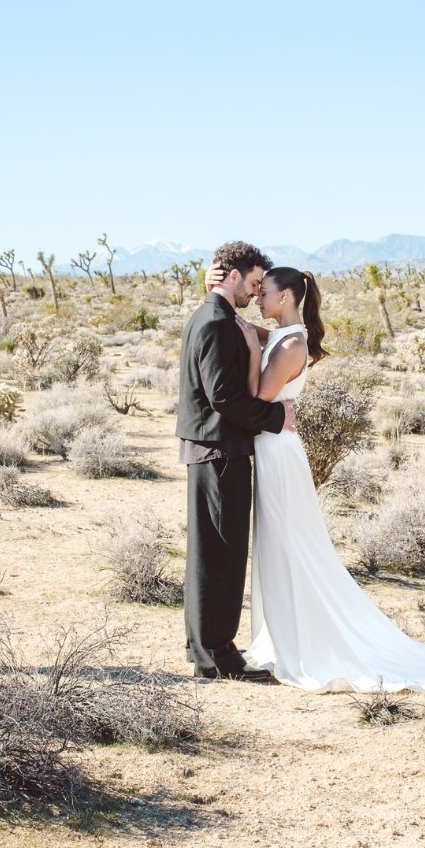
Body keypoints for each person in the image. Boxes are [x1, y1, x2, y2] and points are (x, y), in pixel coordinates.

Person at [230, 265, 425, 693]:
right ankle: (289, 635)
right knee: (280, 543)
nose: (259, 298)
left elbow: (259, 398)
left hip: (279, 453)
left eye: (265, 292)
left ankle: (305, 640)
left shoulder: (289, 344)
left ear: (285, 297)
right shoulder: (286, 337)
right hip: (274, 448)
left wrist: (251, 349)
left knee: (290, 543)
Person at [176, 241, 296, 682]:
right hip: (220, 449)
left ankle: (205, 647)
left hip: (212, 448)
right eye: (251, 282)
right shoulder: (215, 323)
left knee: (210, 553)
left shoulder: (215, 317)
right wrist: (276, 416)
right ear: (231, 277)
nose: (254, 291)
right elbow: (224, 398)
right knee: (222, 555)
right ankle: (219, 658)